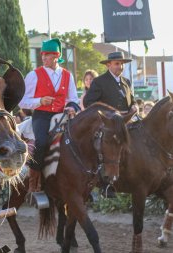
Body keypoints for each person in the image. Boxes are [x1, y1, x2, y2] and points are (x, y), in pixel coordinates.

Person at [19, 38, 80, 209]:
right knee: (41, 142)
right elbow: (22, 102)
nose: (44, 58)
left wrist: (71, 107)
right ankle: (33, 184)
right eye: (43, 55)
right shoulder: (34, 75)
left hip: (62, 116)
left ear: (57, 56)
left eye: (47, 55)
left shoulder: (68, 76)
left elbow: (73, 99)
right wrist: (40, 101)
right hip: (42, 116)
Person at [83, 51, 137, 198]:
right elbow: (88, 102)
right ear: (108, 65)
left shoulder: (126, 81)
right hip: (108, 124)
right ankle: (105, 184)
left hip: (127, 121)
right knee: (108, 149)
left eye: (122, 64)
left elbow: (132, 101)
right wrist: (107, 114)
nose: (120, 67)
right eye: (117, 63)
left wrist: (135, 106)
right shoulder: (100, 81)